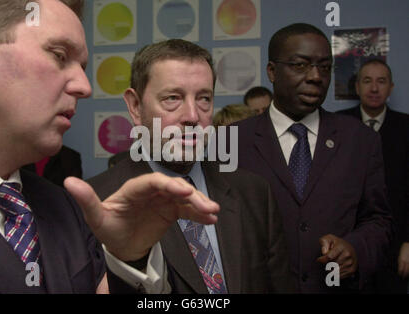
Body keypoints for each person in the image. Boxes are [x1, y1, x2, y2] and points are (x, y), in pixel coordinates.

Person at [0, 0, 219, 293]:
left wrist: (128, 259)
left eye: (82, 67)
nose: (84, 86)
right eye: (59, 55)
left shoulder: (65, 209)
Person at [87, 39, 295, 294]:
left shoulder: (254, 192)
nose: (193, 116)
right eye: (173, 98)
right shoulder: (96, 203)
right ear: (136, 106)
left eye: (204, 99)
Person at [230, 23, 393, 293]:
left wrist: (356, 248)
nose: (316, 76)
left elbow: (379, 221)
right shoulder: (231, 142)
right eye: (300, 65)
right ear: (272, 71)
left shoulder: (360, 140)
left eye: (325, 67)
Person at [338, 59, 409, 293]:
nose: (374, 88)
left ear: (391, 87)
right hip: (346, 244)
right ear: (357, 87)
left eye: (381, 81)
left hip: (397, 246)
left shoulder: (406, 127)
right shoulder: (337, 126)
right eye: (367, 81)